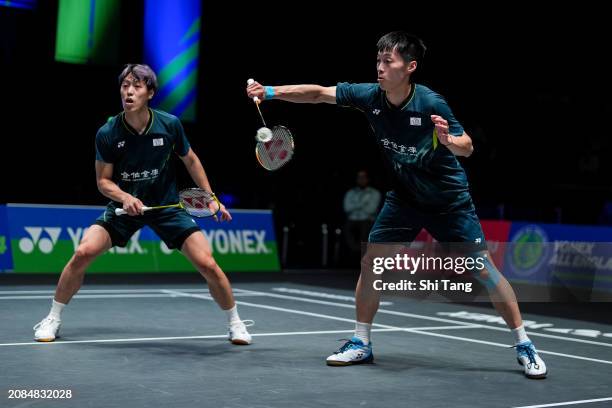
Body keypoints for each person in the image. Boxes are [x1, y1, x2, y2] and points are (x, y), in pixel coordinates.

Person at [246, 32, 547, 378]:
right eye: (378, 60)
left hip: (448, 203)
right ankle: (361, 343)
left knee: (482, 271)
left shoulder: (431, 103)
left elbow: (468, 147)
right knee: (371, 264)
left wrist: (449, 140)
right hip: (403, 199)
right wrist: (270, 92)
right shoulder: (369, 96)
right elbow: (319, 93)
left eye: (388, 61)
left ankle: (524, 344)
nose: (380, 67)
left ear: (410, 66)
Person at [34, 64, 252, 345]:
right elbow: (104, 182)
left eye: (137, 86)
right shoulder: (108, 132)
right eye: (125, 85)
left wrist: (210, 198)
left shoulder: (169, 124)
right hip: (126, 208)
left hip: (166, 207)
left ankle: (235, 323)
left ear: (150, 92)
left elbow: (191, 160)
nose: (129, 91)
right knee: (83, 252)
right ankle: (53, 317)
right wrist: (125, 197)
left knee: (208, 264)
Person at [343, 170, 381, 258]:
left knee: (365, 228)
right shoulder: (350, 193)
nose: (361, 179)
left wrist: (355, 206)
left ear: (368, 179)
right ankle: (356, 250)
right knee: (347, 228)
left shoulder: (374, 193)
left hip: (368, 220)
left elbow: (371, 210)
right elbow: (347, 208)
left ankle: (361, 254)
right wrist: (363, 204)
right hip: (352, 219)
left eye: (363, 177)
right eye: (359, 177)